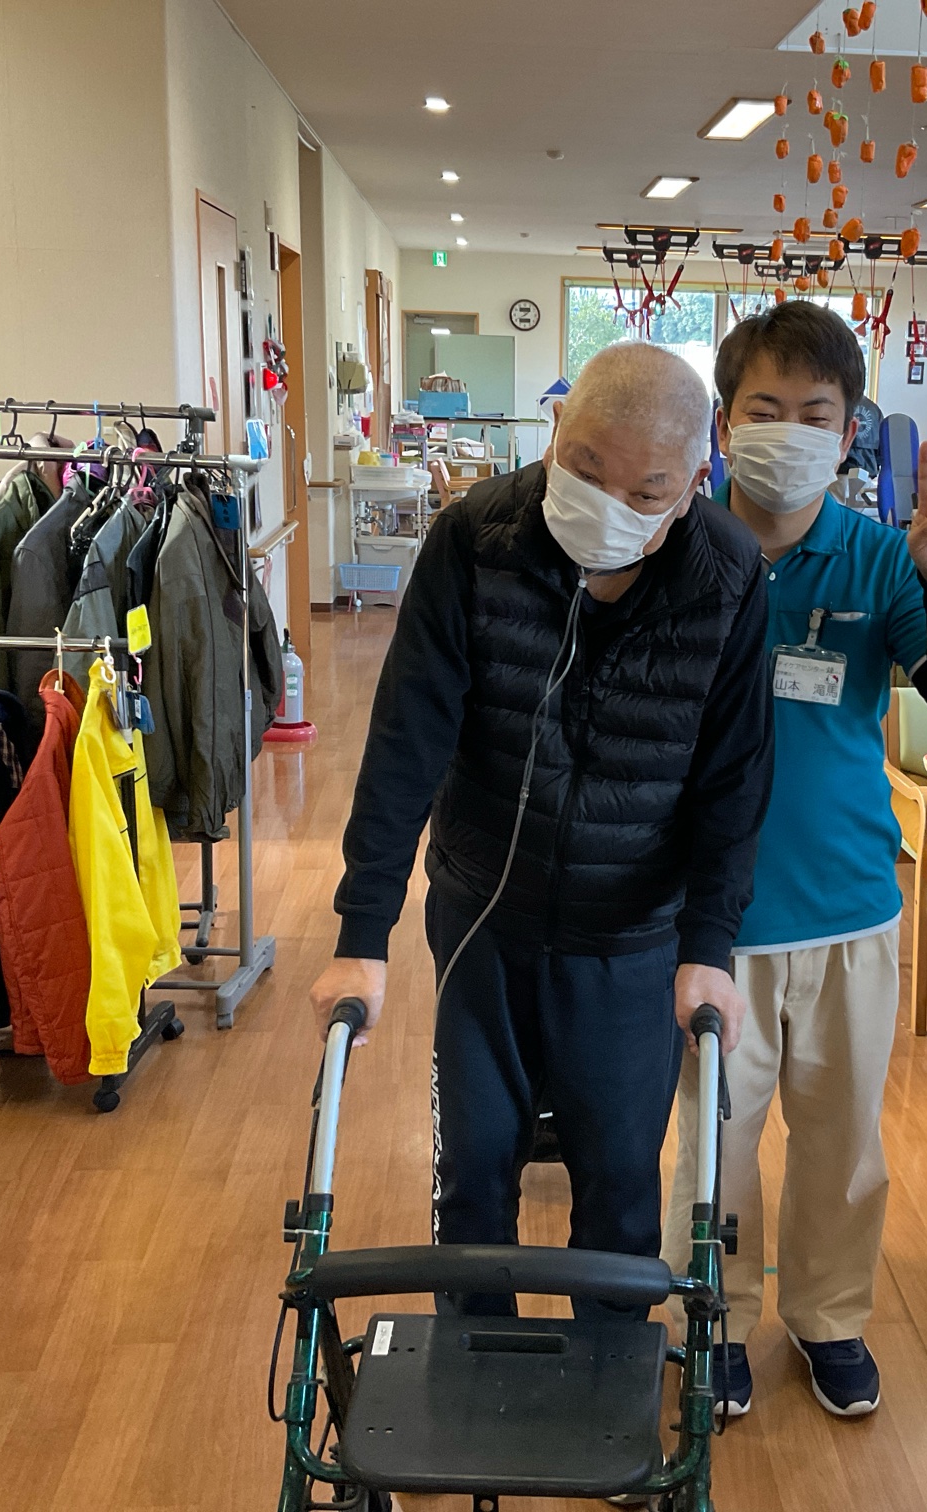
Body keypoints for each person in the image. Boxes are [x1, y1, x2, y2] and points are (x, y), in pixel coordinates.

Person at [311, 342, 774, 1317]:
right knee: (474, 1176)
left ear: (697, 478)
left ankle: (608, 1377)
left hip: (633, 942)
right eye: (588, 469)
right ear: (556, 430)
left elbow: (734, 778)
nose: (611, 504)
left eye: (647, 491)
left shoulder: (729, 573)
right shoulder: (472, 541)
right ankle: (472, 1367)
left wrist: (709, 946)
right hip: (485, 921)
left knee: (620, 1188)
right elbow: (405, 744)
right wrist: (363, 935)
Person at [661, 301, 927, 1420]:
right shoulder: (674, 545)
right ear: (724, 424)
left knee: (844, 1141)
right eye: (766, 409)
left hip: (850, 900)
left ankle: (829, 1315)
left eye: (817, 413)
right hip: (714, 918)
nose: (791, 431)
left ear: (850, 432)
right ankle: (712, 1316)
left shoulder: (880, 555)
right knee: (715, 1143)